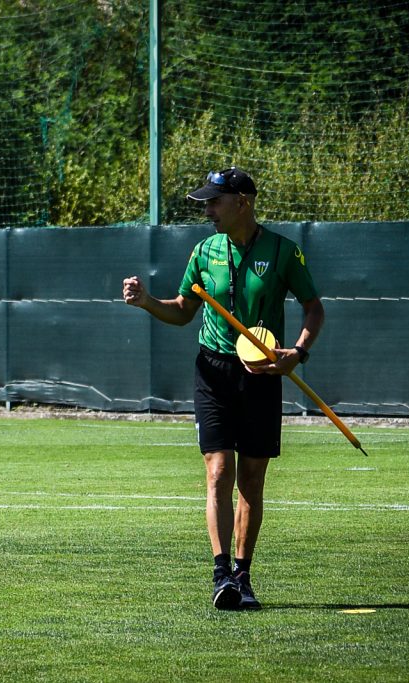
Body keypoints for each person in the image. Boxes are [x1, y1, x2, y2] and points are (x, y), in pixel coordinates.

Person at [122, 167, 324, 611]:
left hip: (262, 375)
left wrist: (297, 354)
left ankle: (243, 575)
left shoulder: (283, 252)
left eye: (215, 201)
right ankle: (220, 575)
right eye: (206, 202)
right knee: (218, 472)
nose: (208, 210)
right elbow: (182, 311)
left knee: (252, 479)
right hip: (212, 371)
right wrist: (147, 302)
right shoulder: (204, 251)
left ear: (243, 202)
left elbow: (314, 309)